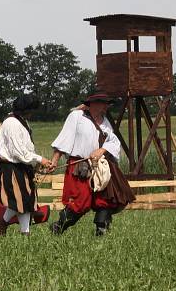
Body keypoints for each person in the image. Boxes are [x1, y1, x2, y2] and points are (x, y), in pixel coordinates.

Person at [49, 92, 135, 236]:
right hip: (79, 165)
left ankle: (101, 231)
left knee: (105, 200)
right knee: (80, 201)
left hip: (100, 167)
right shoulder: (76, 117)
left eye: (107, 103)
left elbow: (113, 141)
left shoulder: (105, 122)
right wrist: (55, 160)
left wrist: (102, 150)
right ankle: (59, 226)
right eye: (104, 103)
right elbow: (64, 139)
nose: (107, 106)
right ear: (94, 104)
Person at [0, 94, 53, 236]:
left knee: (27, 201)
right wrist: (40, 159)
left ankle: (25, 232)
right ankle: (2, 223)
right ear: (23, 110)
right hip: (11, 168)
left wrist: (37, 163)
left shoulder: (23, 122)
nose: (32, 113)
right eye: (30, 110)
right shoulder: (12, 123)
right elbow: (18, 152)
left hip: (21, 167)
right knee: (19, 201)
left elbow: (27, 149)